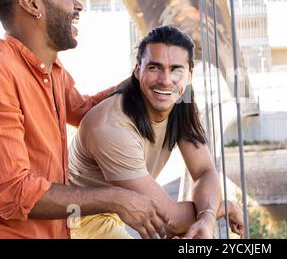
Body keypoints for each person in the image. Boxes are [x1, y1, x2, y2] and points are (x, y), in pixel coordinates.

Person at [0, 0, 169, 239]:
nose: (77, 5)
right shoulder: (3, 70)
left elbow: (84, 109)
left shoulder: (53, 71)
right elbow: (13, 190)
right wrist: (117, 198)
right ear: (31, 3)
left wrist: (147, 79)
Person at [69, 26, 244, 239]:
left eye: (176, 70)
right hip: (79, 222)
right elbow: (168, 220)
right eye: (154, 67)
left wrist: (207, 216)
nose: (166, 80)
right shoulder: (111, 125)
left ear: (189, 75)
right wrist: (224, 207)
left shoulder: (181, 100)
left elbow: (204, 170)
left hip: (117, 215)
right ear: (137, 70)